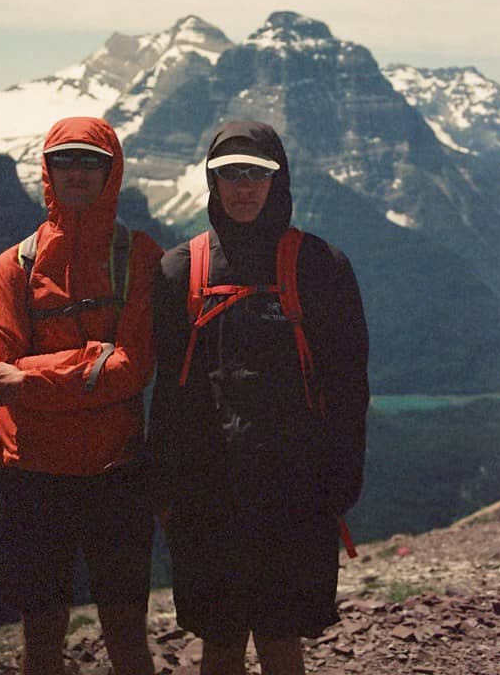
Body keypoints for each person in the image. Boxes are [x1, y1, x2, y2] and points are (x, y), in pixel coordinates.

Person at [148, 120, 369, 675]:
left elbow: (348, 384)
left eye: (257, 172)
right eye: (230, 173)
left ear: (278, 179)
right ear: (212, 180)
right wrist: (163, 484)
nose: (243, 186)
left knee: (278, 635)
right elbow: (168, 392)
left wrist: (341, 480)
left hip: (294, 493)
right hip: (207, 493)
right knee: (222, 638)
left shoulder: (321, 268)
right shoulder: (177, 272)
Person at [0, 116, 162, 675]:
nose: (77, 172)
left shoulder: (140, 256)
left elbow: (135, 369)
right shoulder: (13, 266)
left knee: (127, 635)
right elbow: (1, 377)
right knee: (41, 639)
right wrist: (97, 361)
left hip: (115, 470)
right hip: (34, 473)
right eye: (64, 160)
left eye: (91, 161)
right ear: (48, 170)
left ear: (112, 171)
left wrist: (33, 380)